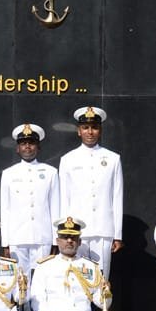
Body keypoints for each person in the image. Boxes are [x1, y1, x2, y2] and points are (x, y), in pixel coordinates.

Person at [58, 107, 123, 279]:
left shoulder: (113, 159)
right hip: (76, 230)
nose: (90, 132)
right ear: (79, 131)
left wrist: (117, 234)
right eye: (85, 127)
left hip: (103, 229)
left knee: (101, 279)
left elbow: (117, 197)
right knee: (76, 277)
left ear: (100, 130)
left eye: (94, 127)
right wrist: (65, 231)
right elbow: (64, 198)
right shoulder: (68, 159)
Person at [0, 123, 60, 274]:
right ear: (17, 148)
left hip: (42, 237)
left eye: (31, 143)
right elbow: (5, 210)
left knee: (43, 278)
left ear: (38, 147)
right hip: (17, 238)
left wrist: (55, 239)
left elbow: (55, 208)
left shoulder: (51, 172)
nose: (27, 147)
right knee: (20, 281)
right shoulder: (8, 174)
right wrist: (6, 243)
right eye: (23, 143)